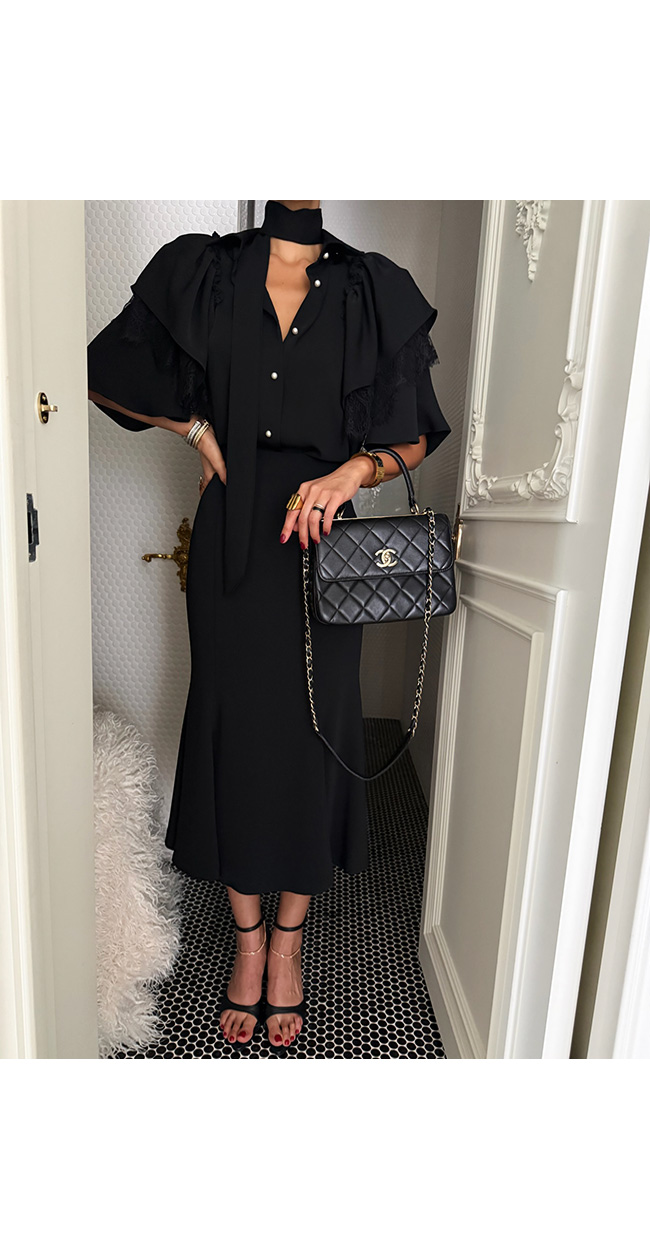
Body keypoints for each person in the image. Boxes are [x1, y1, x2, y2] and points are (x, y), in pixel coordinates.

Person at [87, 199, 451, 1053]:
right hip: (233, 541)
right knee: (234, 729)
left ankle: (287, 944)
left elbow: (417, 434)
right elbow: (103, 369)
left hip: (324, 545)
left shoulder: (373, 289)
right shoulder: (204, 273)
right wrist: (197, 430)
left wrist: (350, 474)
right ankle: (247, 943)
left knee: (315, 734)